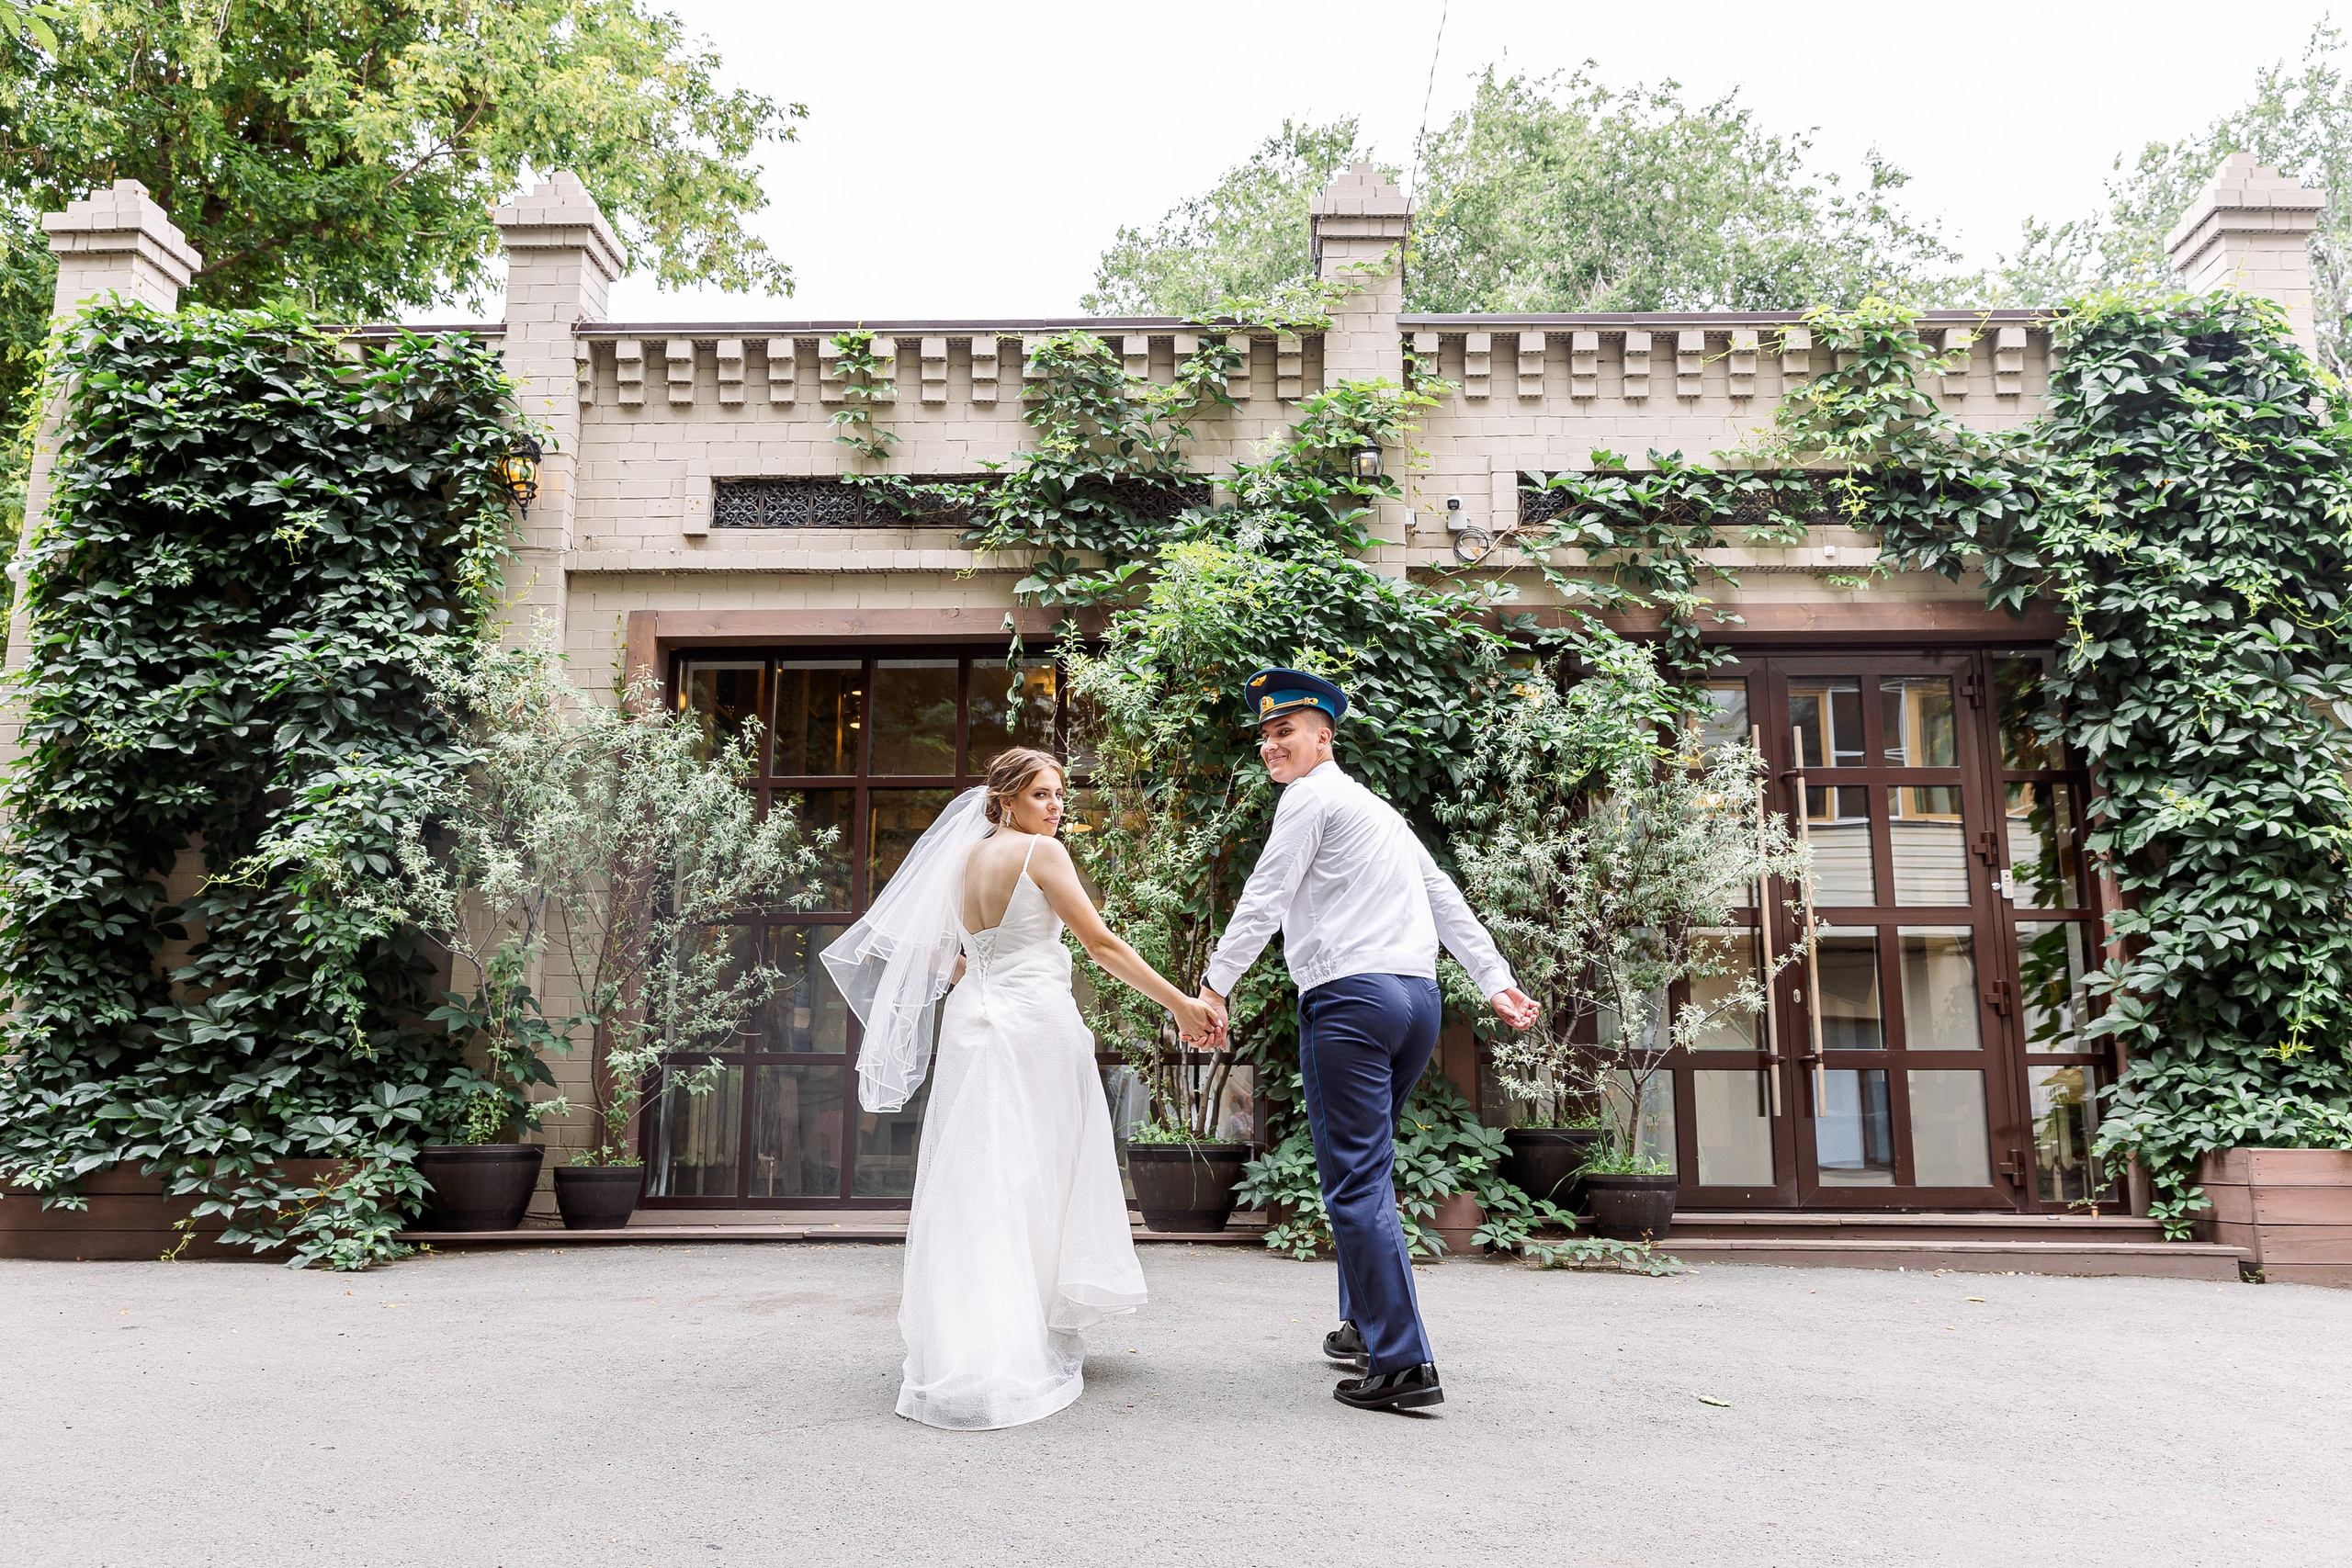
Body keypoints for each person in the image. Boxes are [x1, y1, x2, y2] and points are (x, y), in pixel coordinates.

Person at [821, 747, 1216, 1430]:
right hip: (1034, 1026)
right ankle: (1015, 1337)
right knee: (1032, 1171)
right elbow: (1102, 946)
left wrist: (984, 983)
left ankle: (974, 1334)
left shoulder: (963, 860)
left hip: (973, 1024)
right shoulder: (1042, 855)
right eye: (1042, 794)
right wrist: (1181, 1002)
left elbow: (950, 959)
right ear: (1006, 798)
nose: (1056, 806)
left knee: (981, 1174)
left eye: (1060, 793)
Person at [1198, 670, 1539, 1414]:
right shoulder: (1378, 808)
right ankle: (1362, 1324)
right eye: (1264, 734)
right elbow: (1443, 896)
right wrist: (1494, 979)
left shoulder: (1309, 796)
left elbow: (1265, 896)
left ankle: (1403, 1363)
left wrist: (1215, 984)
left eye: (1284, 730)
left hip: (1351, 1000)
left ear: (1325, 734)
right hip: (1416, 1000)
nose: (1269, 744)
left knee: (1352, 1177)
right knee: (1369, 1166)